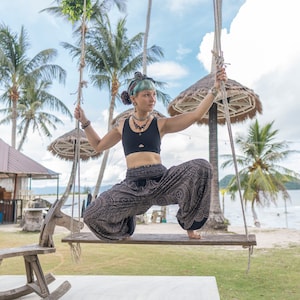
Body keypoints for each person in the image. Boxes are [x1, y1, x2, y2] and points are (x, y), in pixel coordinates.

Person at [74, 68, 227, 241]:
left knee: (202, 166)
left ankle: (190, 227)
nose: (152, 99)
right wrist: (84, 121)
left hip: (161, 182)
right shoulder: (122, 126)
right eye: (147, 94)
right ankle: (125, 227)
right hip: (132, 188)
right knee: (91, 214)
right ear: (134, 99)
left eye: (154, 94)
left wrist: (215, 88)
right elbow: (98, 146)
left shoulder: (160, 124)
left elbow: (195, 115)